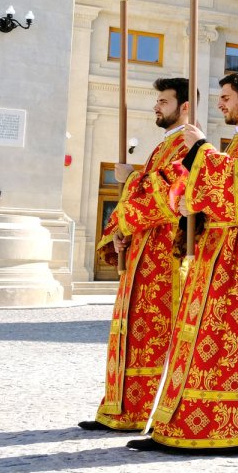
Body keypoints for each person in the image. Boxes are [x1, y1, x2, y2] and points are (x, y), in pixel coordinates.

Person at [128, 72, 238, 451]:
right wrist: (189, 204)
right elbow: (210, 188)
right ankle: (188, 421)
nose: (219, 104)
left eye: (226, 97)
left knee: (233, 340)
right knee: (205, 337)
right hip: (219, 250)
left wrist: (202, 149)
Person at [80, 78, 193, 432]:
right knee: (133, 334)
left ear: (184, 107)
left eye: (164, 101)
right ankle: (124, 409)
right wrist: (118, 233)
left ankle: (147, 411)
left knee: (153, 336)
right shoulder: (163, 146)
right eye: (157, 101)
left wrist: (131, 179)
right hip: (143, 252)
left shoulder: (189, 145)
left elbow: (169, 191)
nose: (156, 106)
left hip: (165, 259)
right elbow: (140, 197)